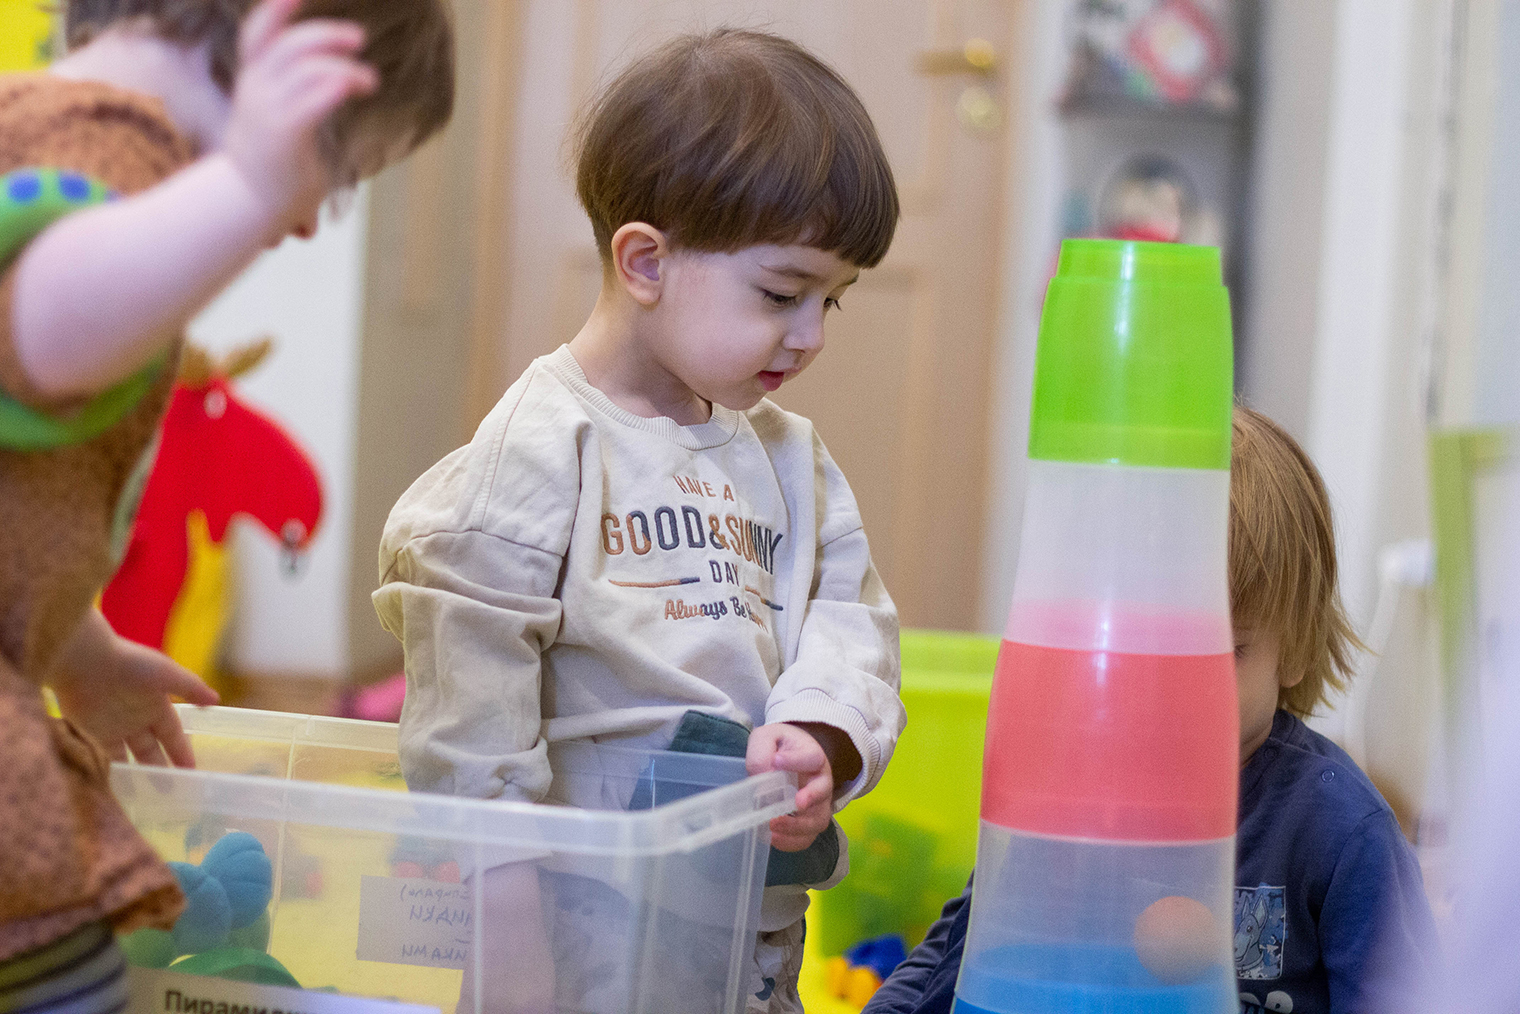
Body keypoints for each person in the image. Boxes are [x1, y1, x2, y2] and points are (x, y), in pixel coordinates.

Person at [374, 28, 905, 1014]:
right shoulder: (540, 451)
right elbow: (467, 708)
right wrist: (506, 927)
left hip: (747, 915)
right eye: (783, 293)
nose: (811, 334)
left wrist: (820, 732)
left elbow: (851, 619)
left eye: (835, 300)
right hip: (584, 924)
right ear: (645, 261)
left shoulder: (792, 461)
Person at [0, 0, 452, 1009]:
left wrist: (82, 650)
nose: (295, 224)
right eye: (323, 180)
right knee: (64, 970)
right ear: (268, 63)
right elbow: (38, 335)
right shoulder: (100, 147)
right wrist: (248, 179)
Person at [864, 406, 1436, 1014]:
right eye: (1144, 646)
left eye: (1218, 652)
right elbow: (963, 949)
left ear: (1292, 648)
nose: (1172, 688)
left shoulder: (1338, 826)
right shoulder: (1070, 796)